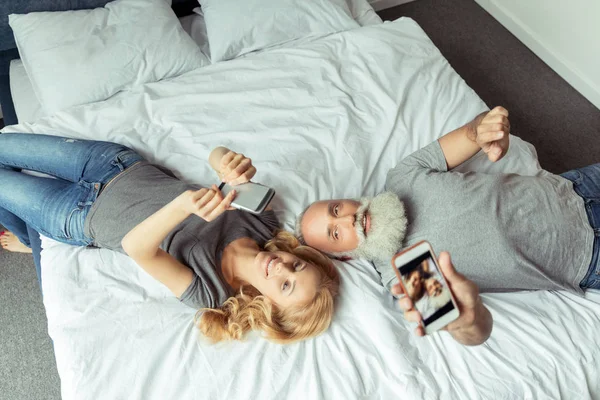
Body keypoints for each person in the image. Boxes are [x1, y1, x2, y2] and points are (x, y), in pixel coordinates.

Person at [296, 106, 599, 344]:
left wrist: (486, 127)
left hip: (575, 187)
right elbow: (472, 329)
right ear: (346, 255)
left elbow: (470, 134)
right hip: (587, 258)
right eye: (335, 233)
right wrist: (468, 321)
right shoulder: (402, 271)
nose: (347, 218)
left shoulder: (402, 176)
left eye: (336, 209)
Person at [0, 133, 339, 344]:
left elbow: (138, 248)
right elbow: (216, 154)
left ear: (269, 308)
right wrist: (228, 164)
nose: (282, 268)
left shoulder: (212, 290)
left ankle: (28, 235)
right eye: (296, 266)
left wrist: (181, 206)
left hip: (78, 216)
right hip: (116, 166)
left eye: (285, 286)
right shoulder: (263, 223)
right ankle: (27, 235)